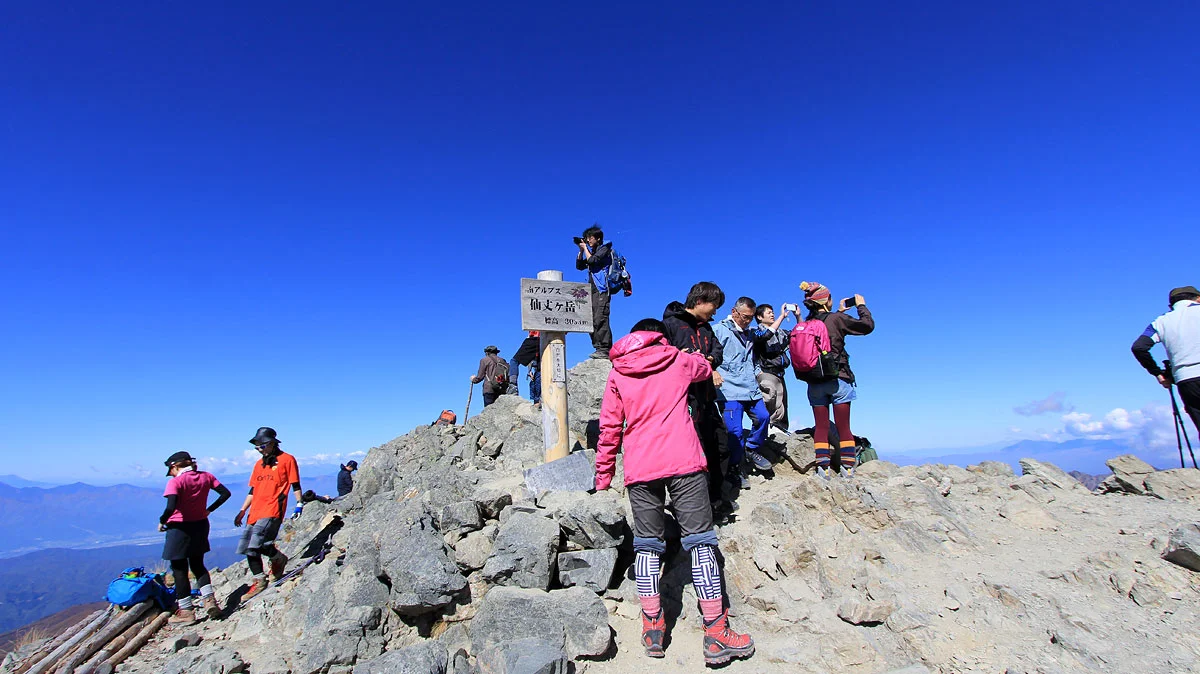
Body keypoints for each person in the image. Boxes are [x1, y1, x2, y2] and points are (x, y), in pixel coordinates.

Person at [595, 318, 754, 666]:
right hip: (684, 460)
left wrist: (603, 477)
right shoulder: (676, 360)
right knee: (700, 540)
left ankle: (653, 627)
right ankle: (716, 631)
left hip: (641, 467)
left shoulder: (618, 370)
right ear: (659, 337)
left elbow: (609, 427)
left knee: (648, 544)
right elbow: (703, 367)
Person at [662, 283, 730, 511]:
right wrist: (681, 357)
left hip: (708, 397)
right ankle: (697, 507)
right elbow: (662, 357)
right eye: (714, 306)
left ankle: (717, 500)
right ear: (699, 301)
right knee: (696, 451)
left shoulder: (707, 328)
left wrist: (710, 360)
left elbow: (717, 351)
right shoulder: (670, 325)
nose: (715, 312)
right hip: (685, 400)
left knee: (720, 446)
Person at [799, 282, 875, 476]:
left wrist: (839, 312)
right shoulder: (836, 319)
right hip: (837, 379)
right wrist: (861, 306)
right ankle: (847, 468)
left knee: (822, 426)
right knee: (843, 427)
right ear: (826, 301)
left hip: (814, 382)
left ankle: (822, 469)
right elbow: (867, 326)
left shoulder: (806, 324)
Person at [159, 451, 231, 623]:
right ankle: (209, 601)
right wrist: (209, 510)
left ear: (175, 466)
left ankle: (186, 612)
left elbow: (171, 507)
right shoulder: (206, 476)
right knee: (198, 565)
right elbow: (225, 493)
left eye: (171, 469)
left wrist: (162, 521)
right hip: (200, 524)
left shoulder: (175, 482)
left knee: (179, 569)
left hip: (179, 528)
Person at [234, 427, 303, 600]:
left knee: (254, 546)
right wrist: (242, 511)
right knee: (252, 547)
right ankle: (277, 559)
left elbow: (295, 483)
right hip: (255, 510)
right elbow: (252, 490)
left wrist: (299, 504)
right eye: (257, 446)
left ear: (272, 443)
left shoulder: (287, 459)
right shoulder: (259, 464)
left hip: (273, 509)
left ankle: (260, 582)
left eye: (262, 445)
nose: (259, 449)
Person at [712, 297, 773, 474]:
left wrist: (758, 373)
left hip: (751, 388)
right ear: (734, 312)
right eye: (745, 316)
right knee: (735, 431)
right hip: (728, 390)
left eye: (751, 317)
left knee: (763, 417)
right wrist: (712, 371)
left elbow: (751, 359)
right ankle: (734, 467)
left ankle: (752, 448)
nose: (747, 321)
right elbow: (708, 356)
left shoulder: (750, 334)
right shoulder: (718, 331)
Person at [1132, 285, 1200, 432]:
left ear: (1171, 305)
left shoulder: (1161, 322)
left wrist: (1158, 373)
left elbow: (1139, 347)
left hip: (1186, 380)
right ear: (1198, 298)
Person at [752, 303, 793, 432]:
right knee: (770, 403)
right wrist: (781, 317)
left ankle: (782, 433)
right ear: (759, 316)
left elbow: (798, 335)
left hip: (780, 374)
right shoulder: (755, 331)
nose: (772, 314)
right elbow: (765, 336)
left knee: (783, 407)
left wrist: (798, 317)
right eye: (768, 312)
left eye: (773, 312)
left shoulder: (781, 332)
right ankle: (767, 434)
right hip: (766, 372)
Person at [575, 224, 614, 359]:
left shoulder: (605, 249)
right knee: (590, 319)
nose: (588, 241)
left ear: (597, 238)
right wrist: (581, 251)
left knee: (600, 318)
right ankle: (598, 347)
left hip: (602, 289)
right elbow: (579, 266)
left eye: (589, 238)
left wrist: (585, 248)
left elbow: (592, 260)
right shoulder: (593, 251)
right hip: (591, 290)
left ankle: (605, 348)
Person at [508, 331, 542, 404]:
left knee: (514, 361)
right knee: (540, 369)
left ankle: (513, 386)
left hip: (534, 339)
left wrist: (529, 370)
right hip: (548, 340)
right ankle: (538, 400)